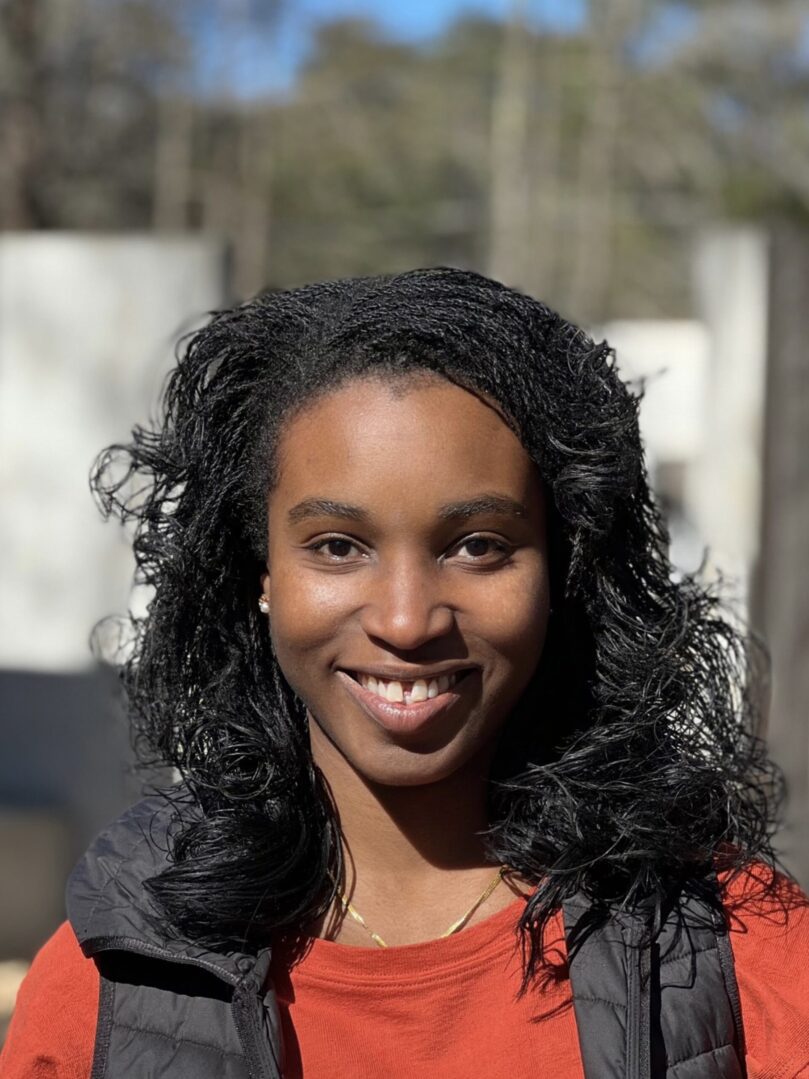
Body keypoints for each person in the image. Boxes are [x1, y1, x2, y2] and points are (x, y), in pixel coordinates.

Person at [2, 266, 809, 1078]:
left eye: (477, 545)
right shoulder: (107, 988)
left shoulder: (745, 964)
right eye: (337, 547)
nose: (404, 620)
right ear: (261, 572)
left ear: (563, 571)